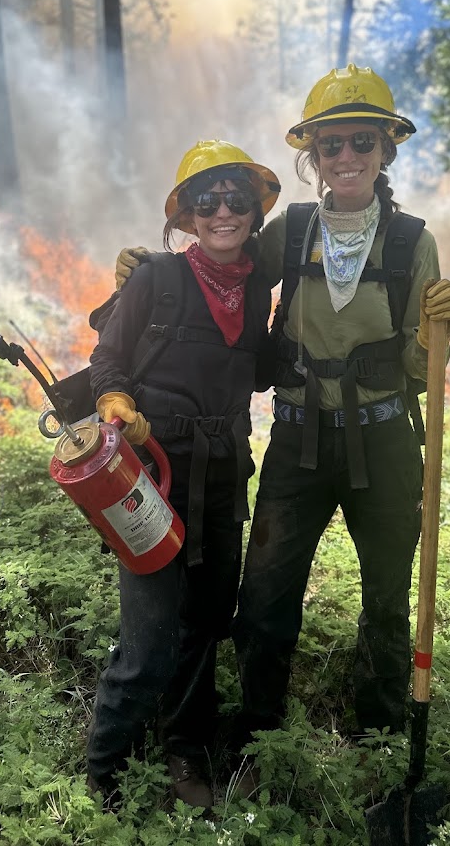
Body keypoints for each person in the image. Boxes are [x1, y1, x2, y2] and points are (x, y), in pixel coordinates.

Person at [115, 65, 450, 764]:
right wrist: (156, 273)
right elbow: (223, 267)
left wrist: (436, 335)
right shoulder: (291, 229)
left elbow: (417, 372)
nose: (345, 158)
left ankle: (381, 728)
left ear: (385, 149)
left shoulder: (410, 242)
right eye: (330, 145)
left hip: (384, 443)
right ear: (312, 155)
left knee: (388, 597)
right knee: (267, 595)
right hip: (297, 442)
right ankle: (257, 725)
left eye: (361, 142)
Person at [86, 139, 280, 810]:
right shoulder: (155, 278)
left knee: (205, 621)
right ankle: (105, 766)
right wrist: (116, 401)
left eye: (236, 198)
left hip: (225, 474)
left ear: (255, 211)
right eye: (207, 199)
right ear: (187, 215)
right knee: (148, 635)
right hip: (153, 479)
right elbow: (107, 359)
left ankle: (183, 748)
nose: (222, 210)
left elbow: (257, 367)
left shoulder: (258, 285)